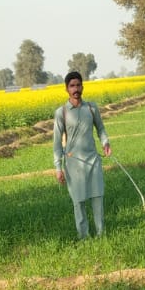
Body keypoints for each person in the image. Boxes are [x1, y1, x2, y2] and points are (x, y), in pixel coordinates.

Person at [53, 71, 112, 239]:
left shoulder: (91, 108)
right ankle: (83, 237)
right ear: (66, 89)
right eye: (72, 86)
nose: (76, 89)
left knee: (97, 198)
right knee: (78, 202)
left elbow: (100, 129)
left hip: (93, 160)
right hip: (73, 164)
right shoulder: (61, 113)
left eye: (78, 85)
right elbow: (57, 143)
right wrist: (58, 168)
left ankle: (101, 235)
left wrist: (105, 142)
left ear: (83, 87)